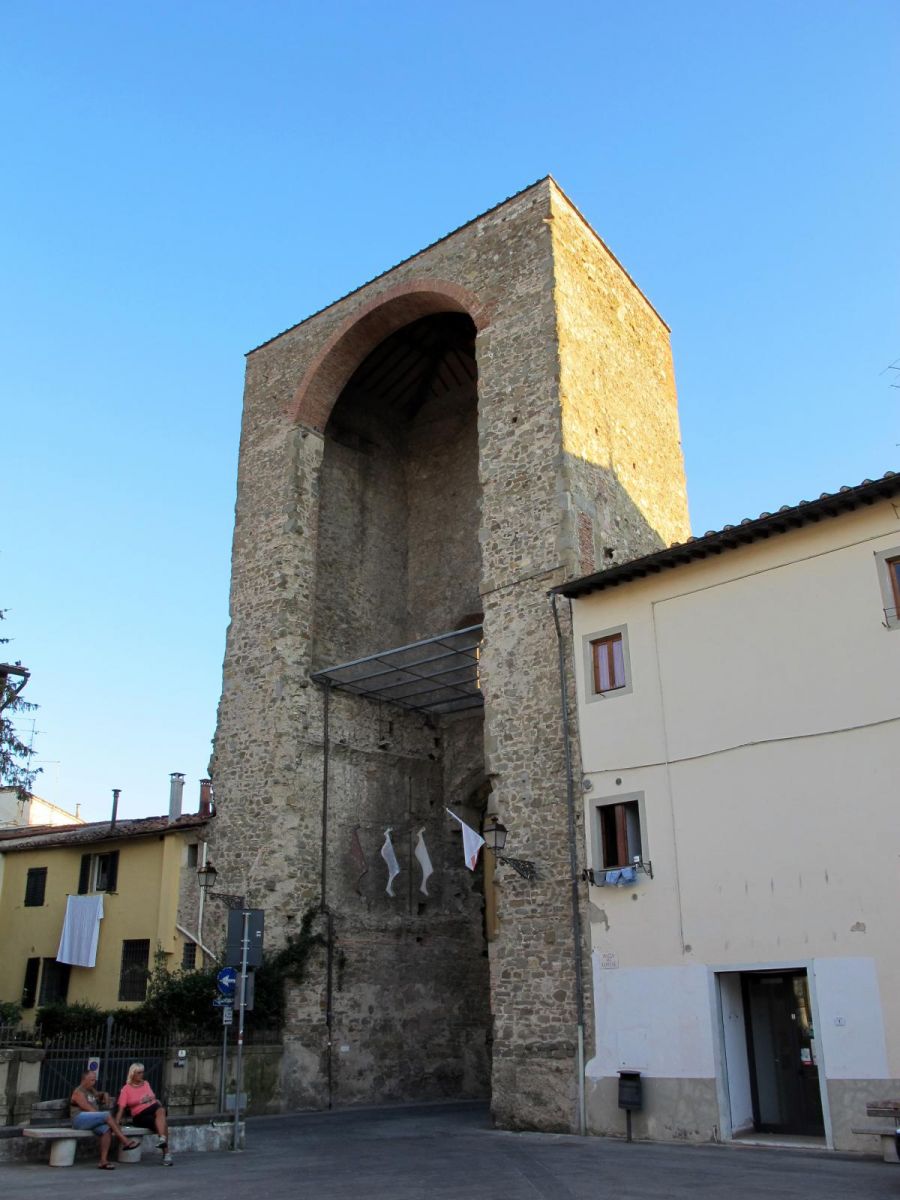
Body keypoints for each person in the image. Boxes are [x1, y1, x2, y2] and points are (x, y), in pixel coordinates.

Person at [70, 1069, 140, 1170]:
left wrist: (105, 1094)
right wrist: (104, 1118)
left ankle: (103, 1161)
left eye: (94, 1080)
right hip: (79, 1120)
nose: (94, 1082)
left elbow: (99, 1094)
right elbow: (88, 1108)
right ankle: (125, 1141)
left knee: (106, 1129)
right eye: (91, 1080)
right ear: (84, 1079)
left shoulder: (91, 1090)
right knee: (106, 1115)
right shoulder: (78, 1092)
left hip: (91, 1120)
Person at [116, 1062, 173, 1165]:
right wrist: (117, 1122)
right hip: (140, 1115)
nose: (141, 1075)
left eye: (142, 1072)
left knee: (161, 1111)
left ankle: (162, 1140)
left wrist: (149, 1099)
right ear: (132, 1074)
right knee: (162, 1120)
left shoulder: (146, 1084)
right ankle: (166, 1154)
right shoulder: (126, 1089)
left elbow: (153, 1097)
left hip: (153, 1110)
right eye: (139, 1073)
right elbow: (121, 1108)